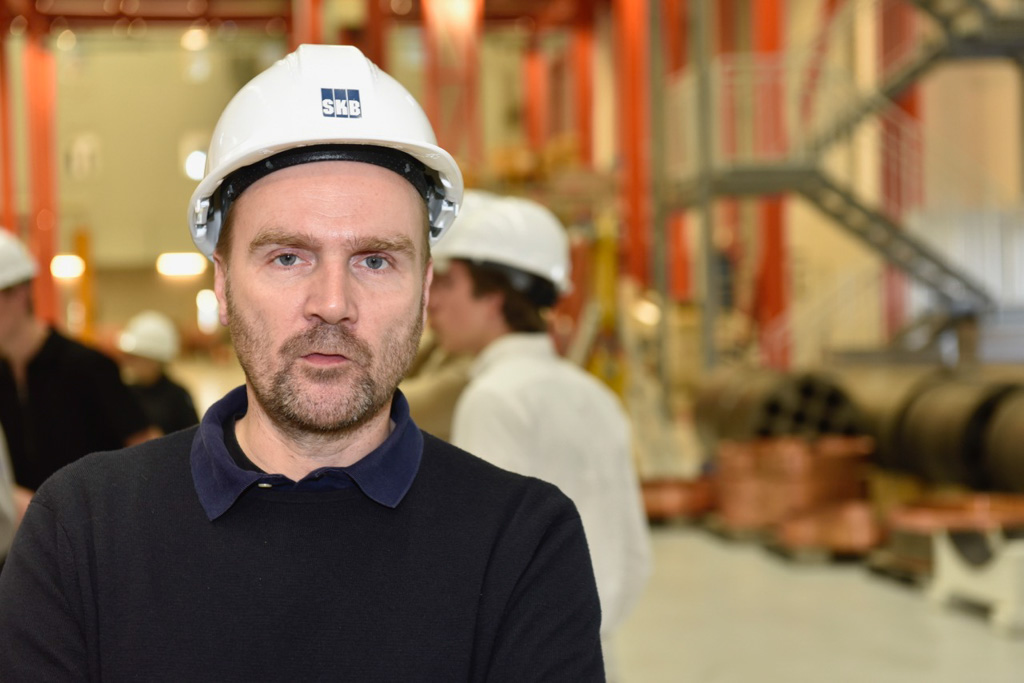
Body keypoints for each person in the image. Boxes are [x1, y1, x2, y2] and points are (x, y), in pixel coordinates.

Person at [0, 45, 604, 681]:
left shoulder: (523, 543)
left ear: (425, 291)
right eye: (288, 257)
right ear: (223, 286)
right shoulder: (82, 532)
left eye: (375, 260)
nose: (333, 304)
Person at [427, 191, 653, 676]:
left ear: (494, 295)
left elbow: (479, 565)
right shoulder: (595, 396)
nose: (432, 301)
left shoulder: (494, 400)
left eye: (447, 282)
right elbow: (634, 554)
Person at [0, 230, 155, 497]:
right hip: (26, 522)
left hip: (95, 517)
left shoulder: (87, 367)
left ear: (21, 292)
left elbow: (148, 450)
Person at [118, 310, 200, 434]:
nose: (130, 363)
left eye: (137, 357)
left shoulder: (177, 396)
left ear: (154, 360)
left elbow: (193, 437)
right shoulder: (126, 392)